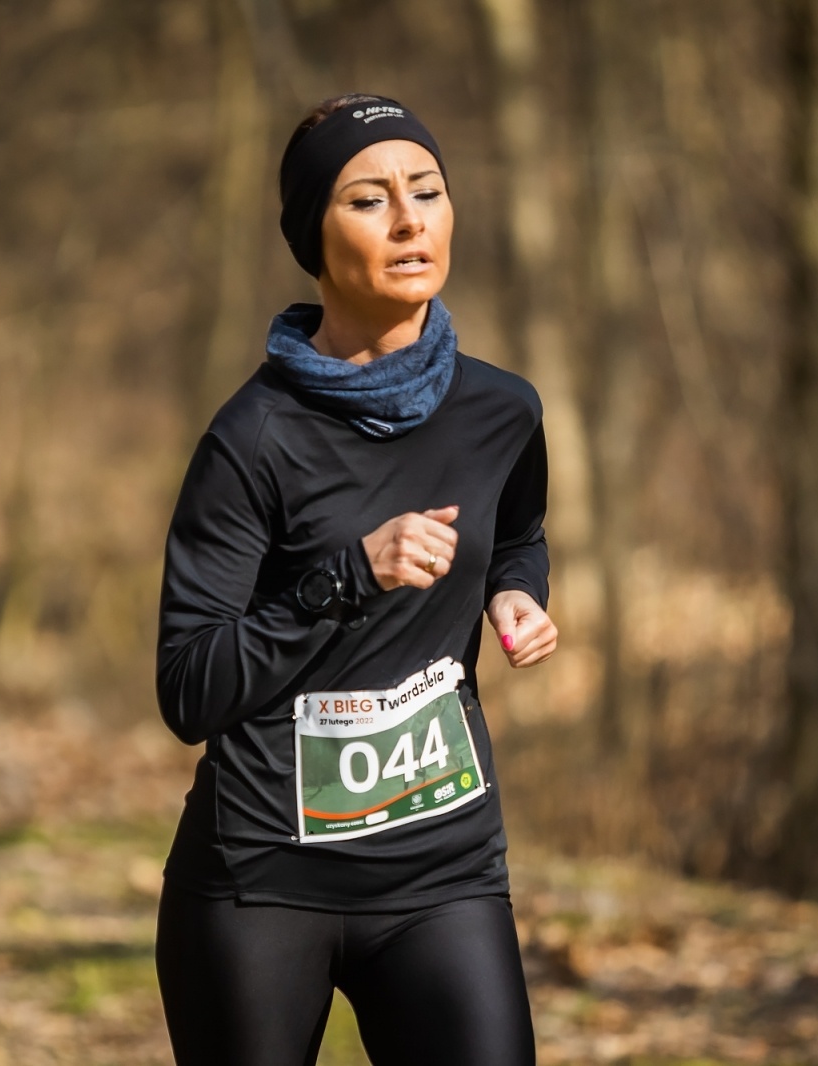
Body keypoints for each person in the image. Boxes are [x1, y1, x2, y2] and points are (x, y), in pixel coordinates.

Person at [153, 92, 557, 1066]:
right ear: (312, 236)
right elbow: (188, 685)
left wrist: (516, 591)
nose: (411, 219)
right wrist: (347, 574)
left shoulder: (502, 411)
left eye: (427, 190)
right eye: (370, 199)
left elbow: (517, 535)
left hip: (442, 872)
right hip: (262, 881)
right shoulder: (251, 440)